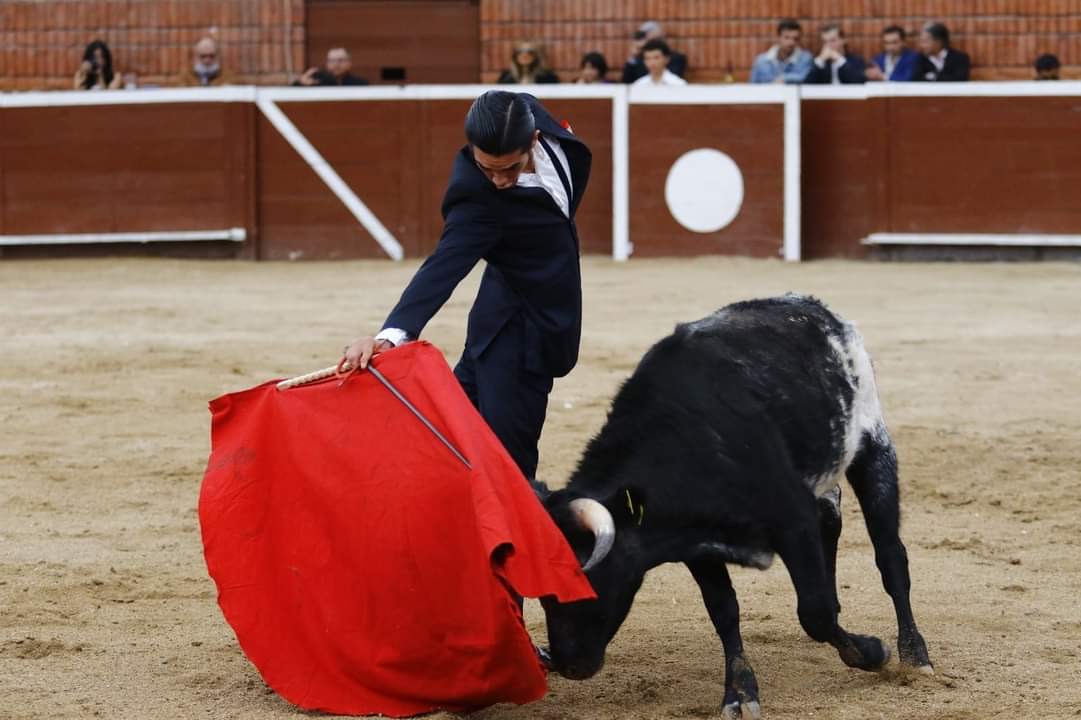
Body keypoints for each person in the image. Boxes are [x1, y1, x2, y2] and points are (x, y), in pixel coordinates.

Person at [342, 91, 591, 489]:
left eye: (508, 169)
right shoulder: (477, 200)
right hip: (513, 338)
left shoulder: (537, 122)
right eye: (486, 168)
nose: (498, 181)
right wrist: (390, 337)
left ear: (533, 142)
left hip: (531, 323)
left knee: (451, 441)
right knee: (506, 467)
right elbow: (442, 267)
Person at [621, 21, 688, 83]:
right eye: (648, 59)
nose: (652, 62)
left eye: (656, 58)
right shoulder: (640, 83)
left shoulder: (678, 82)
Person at [750, 18, 813, 84]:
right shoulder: (761, 61)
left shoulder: (805, 59)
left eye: (795, 39)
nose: (791, 42)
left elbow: (806, 78)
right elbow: (753, 87)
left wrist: (784, 79)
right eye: (787, 37)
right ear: (778, 37)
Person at [294, 47, 369, 86]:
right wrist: (301, 83)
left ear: (349, 63)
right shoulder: (317, 82)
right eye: (332, 61)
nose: (336, 64)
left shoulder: (360, 84)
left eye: (340, 60)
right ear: (327, 64)